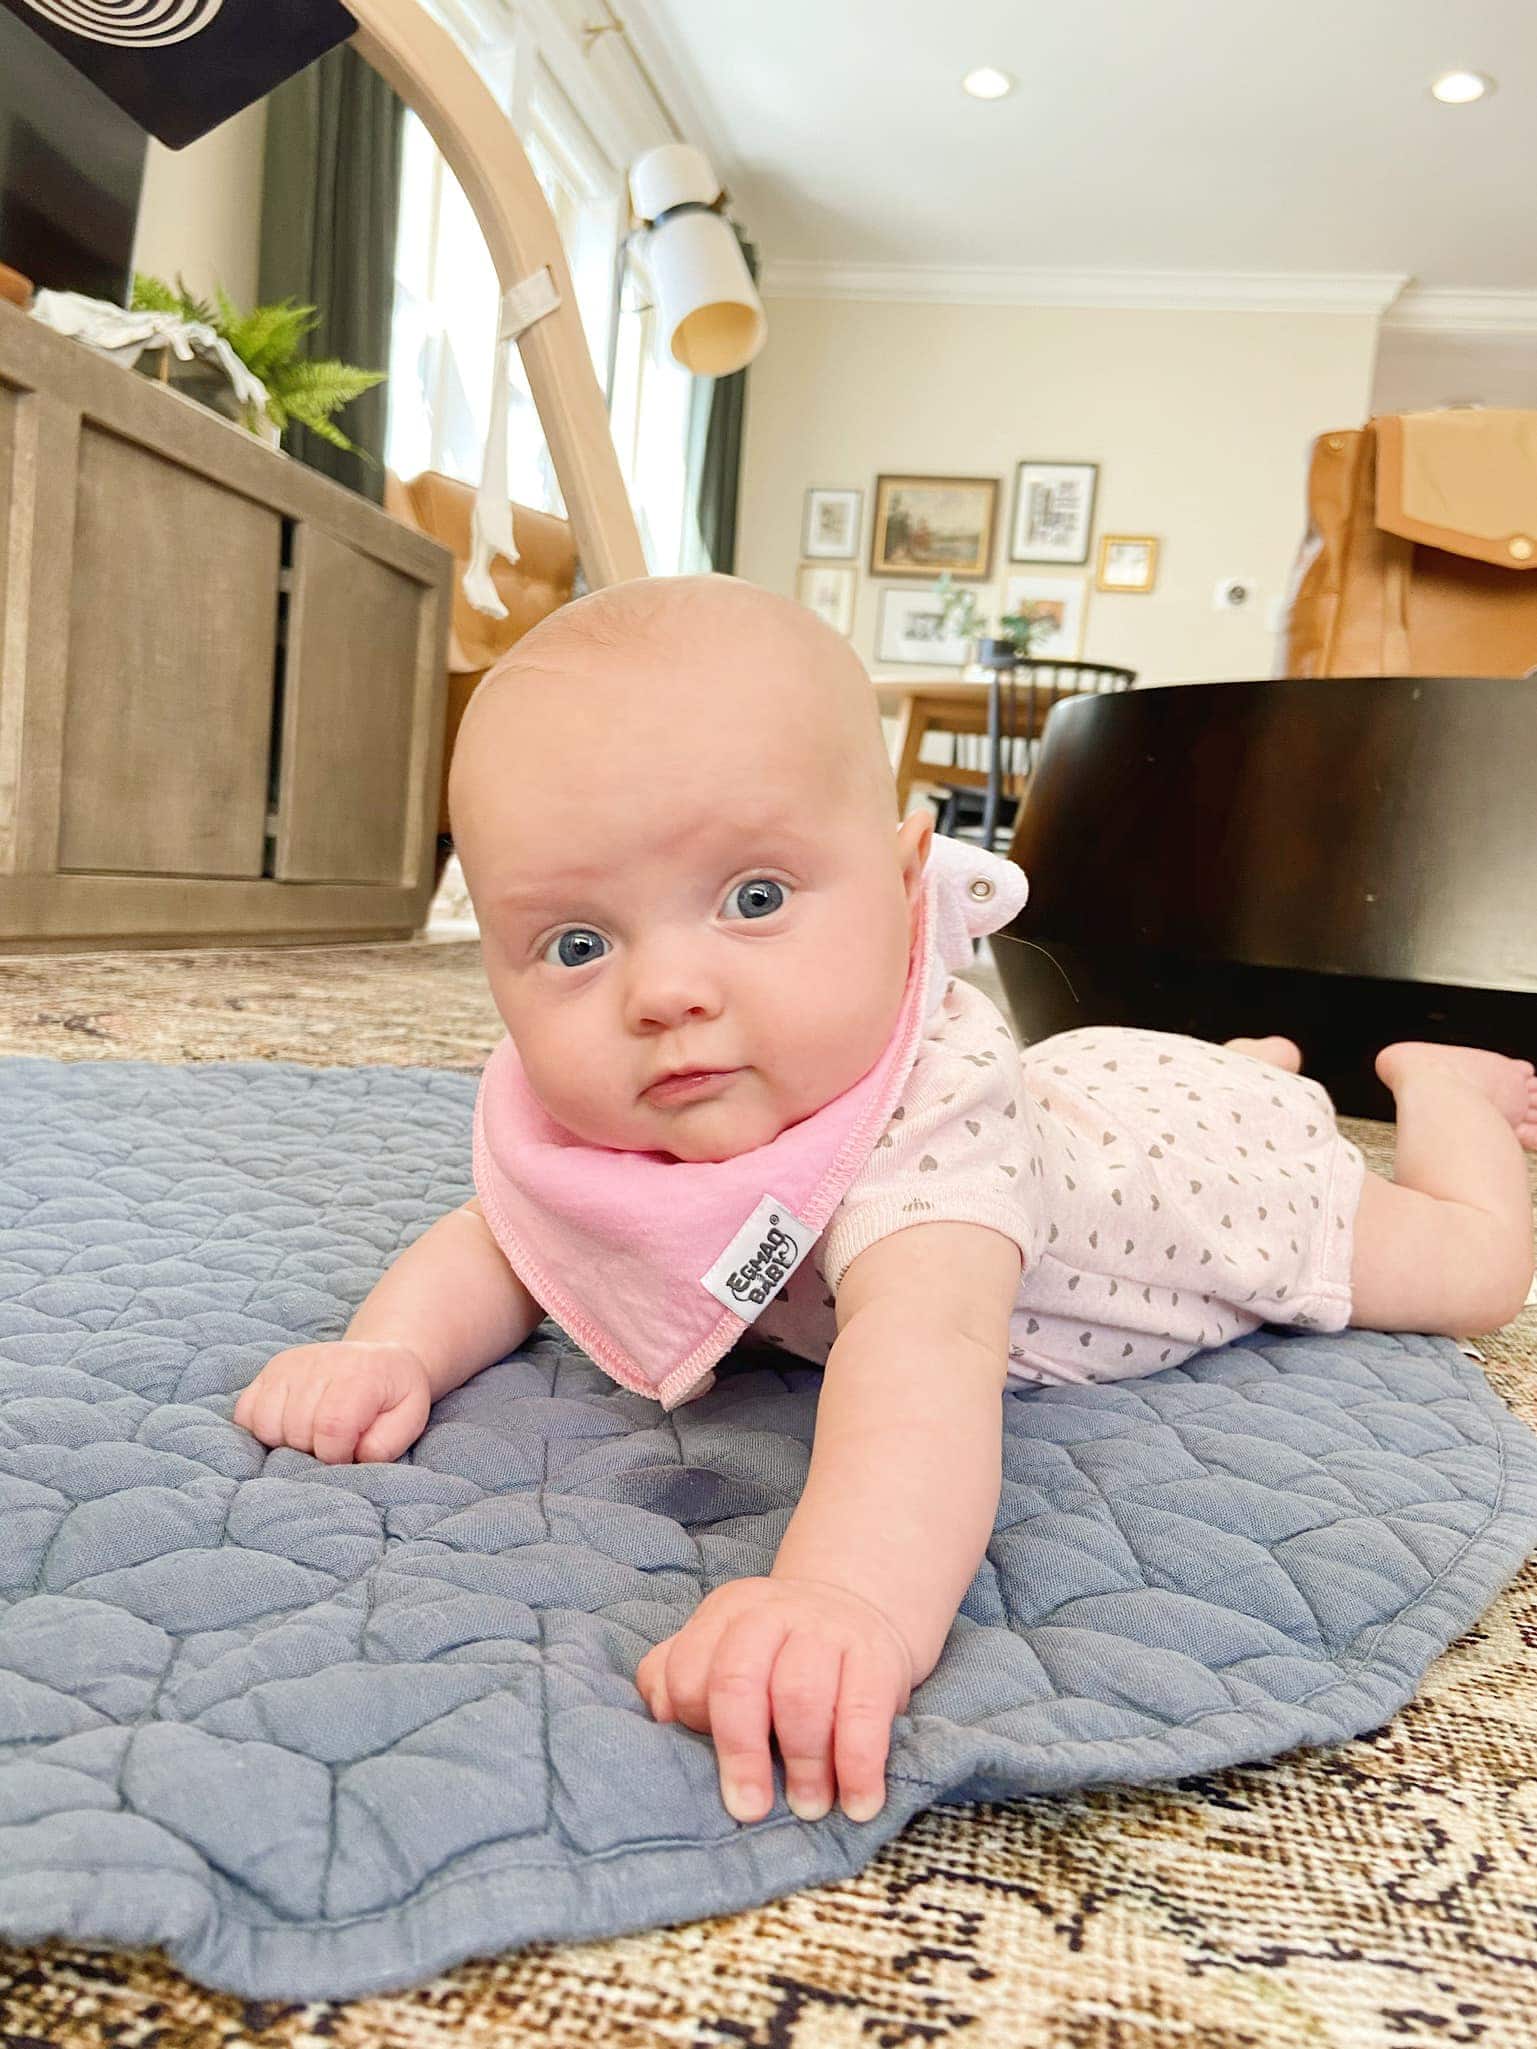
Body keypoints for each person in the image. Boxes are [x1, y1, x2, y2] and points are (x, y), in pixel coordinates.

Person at [233, 574, 1536, 1830]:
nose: (664, 990)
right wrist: (386, 1345)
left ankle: (1441, 1091)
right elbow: (508, 1238)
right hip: (1084, 1090)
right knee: (1103, 1081)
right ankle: (1229, 1058)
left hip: (1201, 1179)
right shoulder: (647, 1092)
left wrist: (846, 1596)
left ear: (908, 884)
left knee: (1475, 1273)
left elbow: (923, 1358)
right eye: (576, 943)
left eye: (753, 898)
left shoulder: (934, 1130)